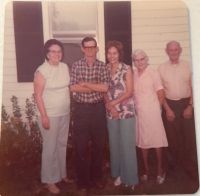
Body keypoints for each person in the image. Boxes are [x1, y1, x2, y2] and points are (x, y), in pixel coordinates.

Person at [69, 37, 110, 193]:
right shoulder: (76, 66)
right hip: (81, 110)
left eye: (92, 47)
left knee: (99, 146)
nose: (90, 50)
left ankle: (96, 177)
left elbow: (105, 88)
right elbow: (73, 88)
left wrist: (85, 84)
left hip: (98, 109)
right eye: (87, 47)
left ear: (96, 48)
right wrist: (95, 87)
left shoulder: (102, 66)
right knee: (81, 146)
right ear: (82, 49)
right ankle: (82, 181)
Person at [34, 39, 72, 194]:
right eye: (53, 51)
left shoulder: (64, 67)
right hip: (49, 114)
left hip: (65, 112)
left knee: (62, 144)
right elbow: (37, 95)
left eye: (59, 51)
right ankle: (49, 180)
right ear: (47, 54)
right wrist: (44, 116)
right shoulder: (42, 71)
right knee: (50, 148)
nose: (57, 54)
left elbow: (67, 88)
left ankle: (61, 175)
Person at [158, 41, 198, 179]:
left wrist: (190, 106)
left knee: (189, 137)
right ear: (166, 51)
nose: (173, 52)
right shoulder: (161, 68)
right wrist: (167, 110)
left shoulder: (188, 66)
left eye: (176, 49)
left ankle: (191, 167)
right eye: (171, 50)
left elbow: (194, 87)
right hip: (169, 105)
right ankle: (173, 167)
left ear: (180, 50)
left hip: (186, 104)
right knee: (171, 138)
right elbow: (160, 92)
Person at [104, 40, 138, 191]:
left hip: (126, 111)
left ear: (119, 54)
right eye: (109, 53)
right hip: (111, 112)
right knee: (115, 145)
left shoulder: (126, 68)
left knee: (127, 145)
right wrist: (109, 106)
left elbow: (129, 91)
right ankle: (118, 174)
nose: (112, 56)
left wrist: (114, 104)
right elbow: (103, 90)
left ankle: (131, 179)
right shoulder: (104, 69)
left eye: (115, 53)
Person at [132, 49, 168, 184]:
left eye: (142, 59)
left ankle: (160, 171)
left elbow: (161, 93)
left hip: (152, 113)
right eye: (136, 60)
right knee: (143, 143)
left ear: (147, 60)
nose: (139, 62)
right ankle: (146, 171)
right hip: (139, 114)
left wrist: (157, 110)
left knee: (157, 142)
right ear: (134, 62)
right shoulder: (133, 73)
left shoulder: (153, 73)